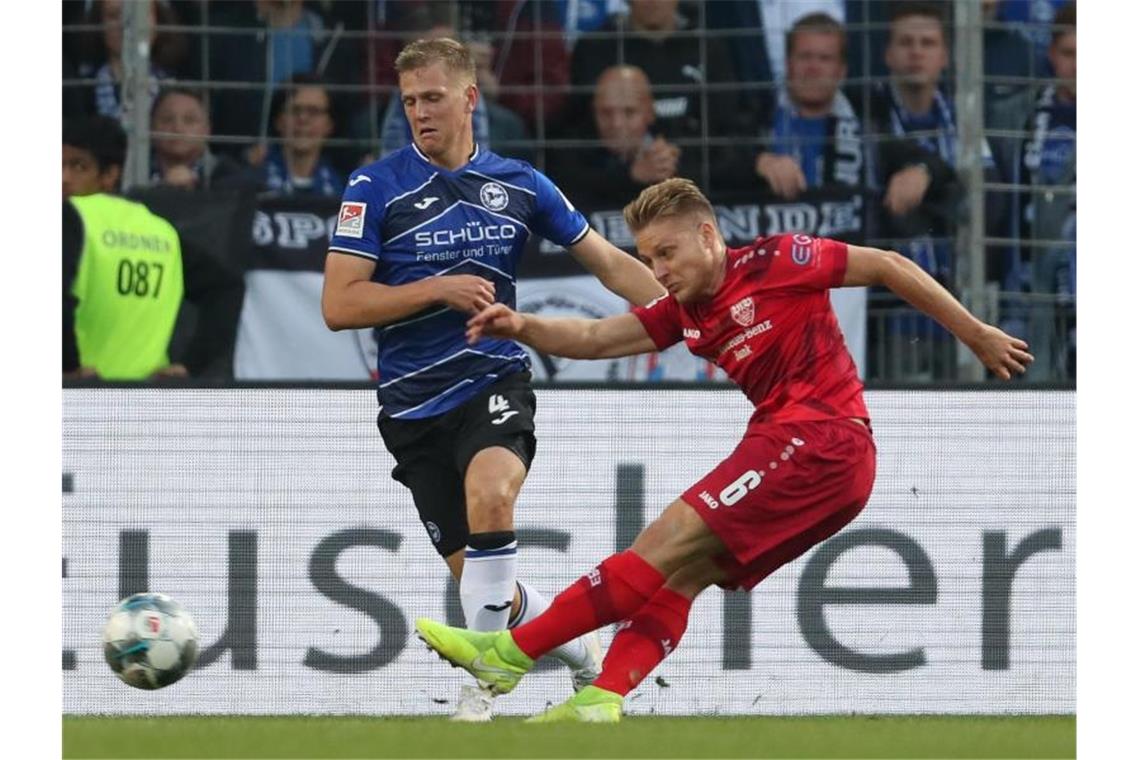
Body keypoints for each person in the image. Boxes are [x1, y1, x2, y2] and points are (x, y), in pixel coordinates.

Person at [414, 177, 1032, 722]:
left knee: (658, 547)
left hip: (820, 438)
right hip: (827, 464)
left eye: (667, 252)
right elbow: (597, 337)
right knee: (683, 574)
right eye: (648, 258)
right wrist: (522, 327)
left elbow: (890, 265)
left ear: (708, 235)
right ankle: (601, 700)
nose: (658, 270)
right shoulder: (687, 311)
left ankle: (510, 655)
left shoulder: (782, 259)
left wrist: (976, 334)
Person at [320, 37, 665, 721]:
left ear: (470, 98)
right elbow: (340, 305)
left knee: (493, 491)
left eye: (434, 98)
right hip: (411, 408)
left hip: (494, 380)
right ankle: (578, 652)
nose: (420, 112)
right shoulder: (375, 186)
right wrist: (436, 288)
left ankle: (484, 688)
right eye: (410, 100)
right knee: (487, 586)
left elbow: (608, 262)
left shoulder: (521, 184)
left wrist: (693, 313)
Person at [63, 115, 245, 380]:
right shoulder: (160, 231)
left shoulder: (69, 217)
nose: (63, 177)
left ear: (109, 175)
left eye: (78, 166)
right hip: (149, 404)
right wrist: (190, 365)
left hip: (79, 399)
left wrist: (67, 366)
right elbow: (228, 288)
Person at [1017, 2, 1075, 380]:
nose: (1080, 66)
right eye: (1070, 53)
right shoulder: (1021, 115)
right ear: (1052, 54)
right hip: (1036, 269)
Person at [751, 12, 865, 199]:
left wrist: (919, 170)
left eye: (825, 58)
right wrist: (759, 163)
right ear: (788, 64)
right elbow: (716, 162)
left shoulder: (868, 119)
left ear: (842, 70)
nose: (813, 68)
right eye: (805, 57)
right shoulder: (757, 114)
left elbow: (914, 155)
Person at [549, 65, 688, 205]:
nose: (616, 123)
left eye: (629, 112)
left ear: (650, 112)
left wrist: (670, 174)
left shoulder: (678, 143)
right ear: (594, 110)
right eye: (605, 113)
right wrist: (631, 175)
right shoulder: (573, 148)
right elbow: (570, 191)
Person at [150, 88, 261, 191]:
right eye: (167, 119)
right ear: (151, 127)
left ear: (207, 129)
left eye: (190, 120)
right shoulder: (135, 171)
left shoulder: (230, 176)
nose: (178, 128)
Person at [260, 75, 345, 197]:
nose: (303, 119)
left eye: (314, 111)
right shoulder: (250, 184)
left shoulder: (346, 189)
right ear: (278, 121)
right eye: (294, 110)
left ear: (329, 125)